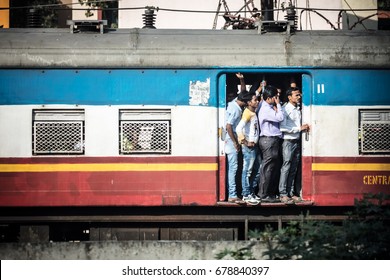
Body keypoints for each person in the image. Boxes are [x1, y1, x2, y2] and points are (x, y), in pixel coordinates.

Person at [278, 87, 310, 203]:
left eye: (299, 95)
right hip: (288, 141)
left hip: (296, 141)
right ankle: (282, 194)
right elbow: (282, 127)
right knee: (286, 167)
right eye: (296, 95)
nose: (299, 97)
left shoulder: (297, 109)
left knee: (293, 168)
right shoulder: (285, 109)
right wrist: (298, 129)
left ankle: (290, 193)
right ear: (289, 97)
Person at [257, 85, 284, 203]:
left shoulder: (264, 106)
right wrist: (278, 105)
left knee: (270, 168)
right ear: (269, 98)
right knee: (268, 168)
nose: (277, 99)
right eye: (275, 97)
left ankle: (268, 193)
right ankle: (263, 194)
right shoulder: (266, 109)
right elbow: (280, 117)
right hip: (269, 140)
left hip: (269, 140)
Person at [225, 89, 252, 204]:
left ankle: (232, 192)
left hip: (230, 139)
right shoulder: (236, 110)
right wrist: (235, 142)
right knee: (233, 167)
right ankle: (232, 194)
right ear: (245, 102)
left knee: (233, 167)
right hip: (231, 140)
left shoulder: (232, 104)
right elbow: (229, 126)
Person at [236, 92, 261, 205]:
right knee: (247, 171)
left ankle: (251, 192)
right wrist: (245, 142)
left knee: (257, 169)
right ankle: (246, 194)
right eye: (255, 100)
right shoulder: (247, 113)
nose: (257, 101)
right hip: (249, 147)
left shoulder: (252, 112)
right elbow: (238, 129)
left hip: (254, 146)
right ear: (249, 102)